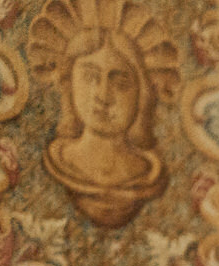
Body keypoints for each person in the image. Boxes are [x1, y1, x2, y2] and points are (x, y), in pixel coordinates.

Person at [25, 0, 181, 228]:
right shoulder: (60, 159)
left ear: (142, 96)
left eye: (121, 82)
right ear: (69, 84)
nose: (103, 96)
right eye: (90, 77)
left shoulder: (147, 173)